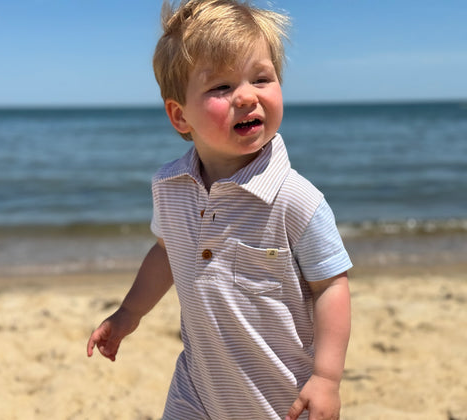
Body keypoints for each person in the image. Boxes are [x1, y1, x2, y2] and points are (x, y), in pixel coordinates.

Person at [87, 1, 352, 419]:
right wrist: (128, 312)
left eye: (261, 78)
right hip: (198, 388)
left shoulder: (295, 200)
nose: (247, 95)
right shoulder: (170, 187)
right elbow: (166, 253)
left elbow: (331, 286)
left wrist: (327, 377)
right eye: (221, 87)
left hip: (279, 396)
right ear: (180, 116)